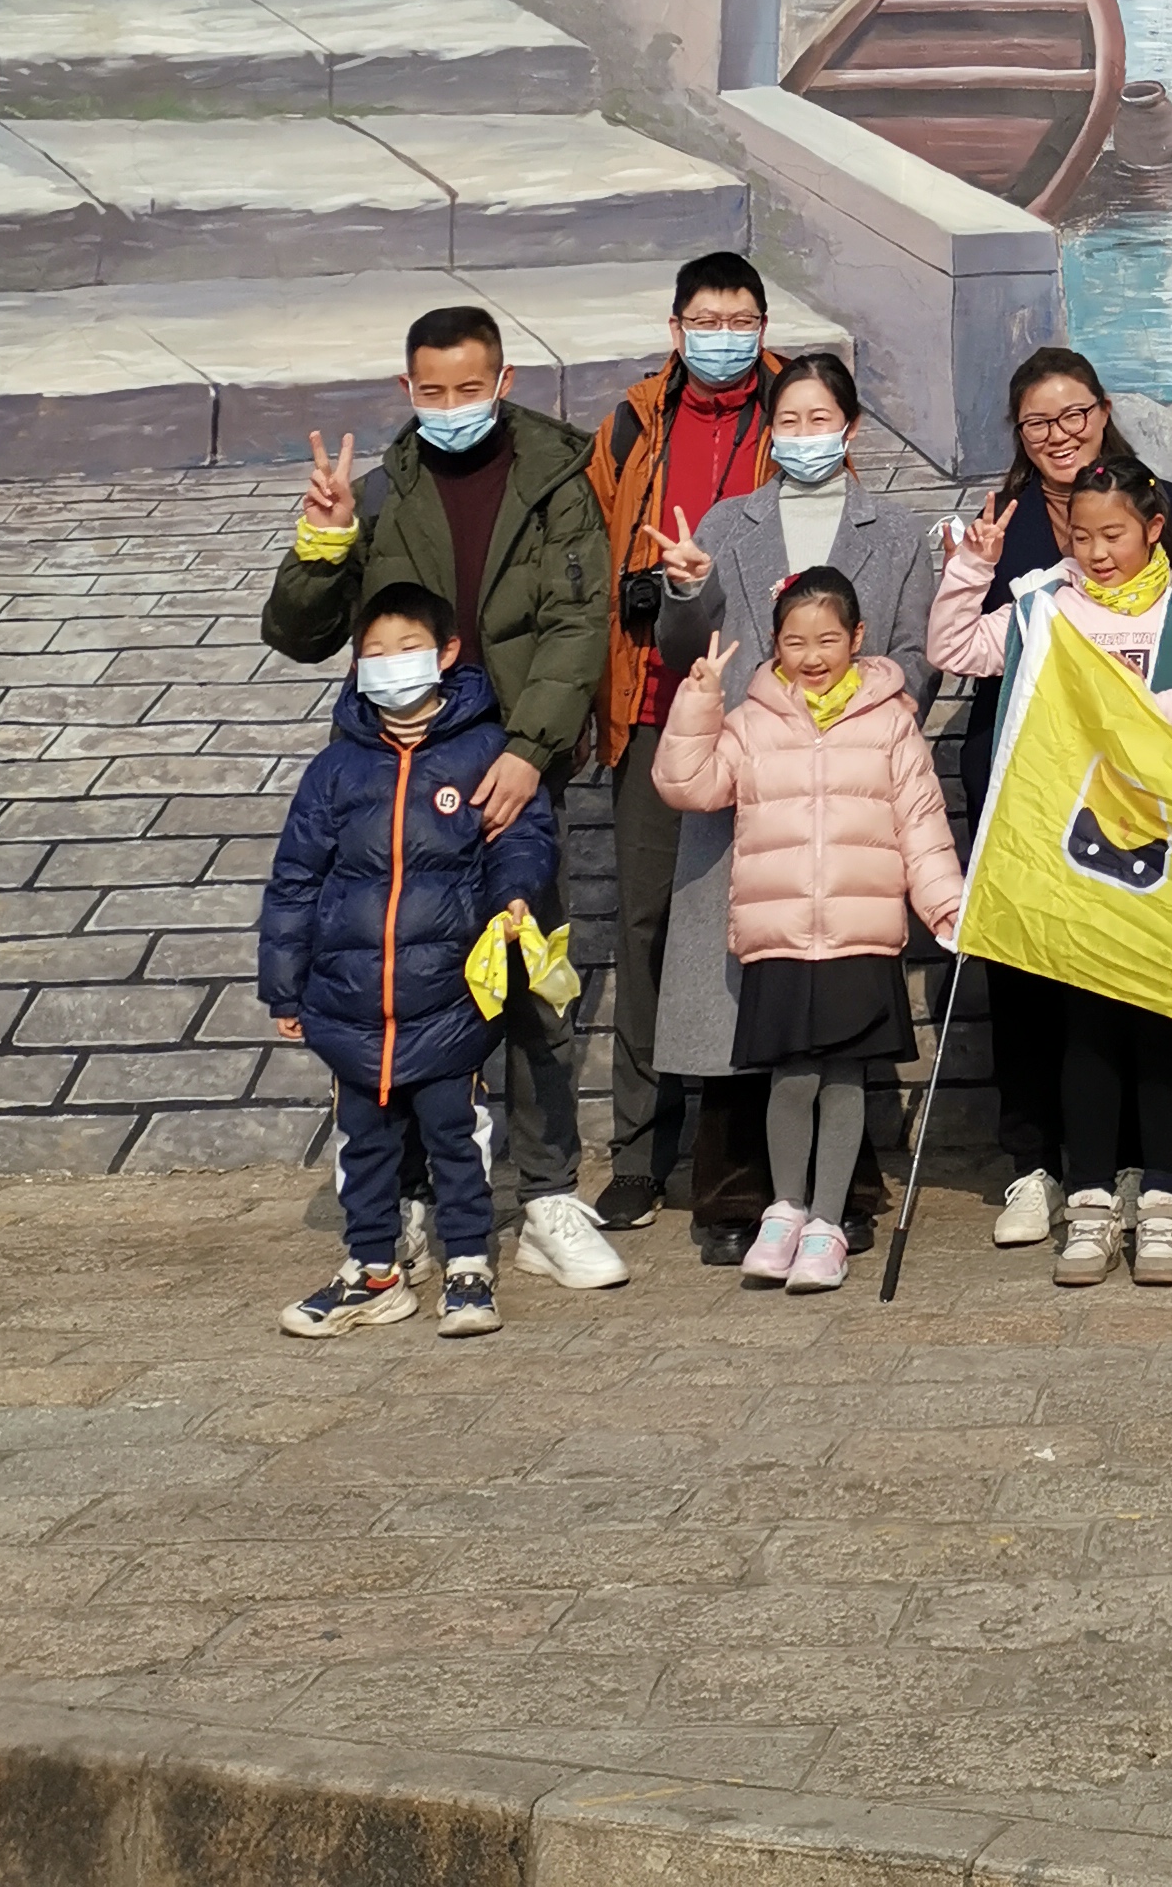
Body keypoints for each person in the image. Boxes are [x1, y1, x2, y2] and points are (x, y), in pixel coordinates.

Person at [263, 305, 628, 1296]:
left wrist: (529, 751)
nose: (453, 405)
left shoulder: (556, 479)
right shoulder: (384, 491)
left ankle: (546, 1195)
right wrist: (324, 541)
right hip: (399, 772)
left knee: (530, 981)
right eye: (434, 390)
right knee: (406, 980)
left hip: (512, 772)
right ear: (407, 389)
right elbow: (300, 633)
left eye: (471, 388)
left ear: (504, 381)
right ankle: (412, 1196)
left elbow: (576, 621)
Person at [931, 446, 1172, 1289]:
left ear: (1153, 529)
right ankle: (1089, 1201)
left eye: (1114, 534)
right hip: (1068, 856)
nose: (1098, 552)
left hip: (1163, 855)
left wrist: (1143, 713)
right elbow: (955, 648)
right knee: (1085, 1031)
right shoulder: (1044, 603)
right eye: (1082, 537)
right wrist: (971, 570)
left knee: (1159, 1027)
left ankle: (1164, 1200)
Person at [644, 353, 936, 1257]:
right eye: (789, 420)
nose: (804, 434)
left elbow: (918, 654)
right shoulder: (727, 522)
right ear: (769, 430)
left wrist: (865, 716)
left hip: (845, 790)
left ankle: (840, 1202)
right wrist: (687, 590)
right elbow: (688, 652)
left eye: (821, 419)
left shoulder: (898, 531)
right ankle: (740, 1199)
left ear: (851, 429)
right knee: (738, 1003)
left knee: (836, 1019)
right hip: (746, 780)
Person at [653, 564, 964, 1298]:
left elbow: (921, 822)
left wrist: (945, 904)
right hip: (781, 934)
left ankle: (827, 1224)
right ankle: (785, 1212)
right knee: (790, 1079)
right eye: (795, 642)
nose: (813, 655)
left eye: (828, 639)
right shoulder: (750, 720)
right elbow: (688, 785)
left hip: (860, 931)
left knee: (845, 1079)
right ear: (775, 644)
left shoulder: (891, 721)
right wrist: (698, 700)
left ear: (858, 637)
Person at [261, 585, 559, 1340]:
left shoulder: (486, 752)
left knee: (457, 1137)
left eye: (408, 649)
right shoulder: (335, 769)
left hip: (449, 998)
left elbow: (521, 838)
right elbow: (295, 880)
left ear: (447, 653)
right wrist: (284, 988)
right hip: (351, 1002)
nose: (391, 665)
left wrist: (516, 895)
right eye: (375, 653)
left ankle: (468, 1266)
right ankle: (373, 1270)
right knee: (363, 1145)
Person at [584, 249, 784, 1242]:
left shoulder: (794, 410)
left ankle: (750, 1154)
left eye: (741, 319)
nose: (723, 336)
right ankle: (639, 1151)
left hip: (762, 713)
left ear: (764, 325)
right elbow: (591, 544)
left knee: (762, 926)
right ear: (675, 328)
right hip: (655, 707)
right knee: (650, 928)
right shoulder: (631, 422)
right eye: (706, 320)